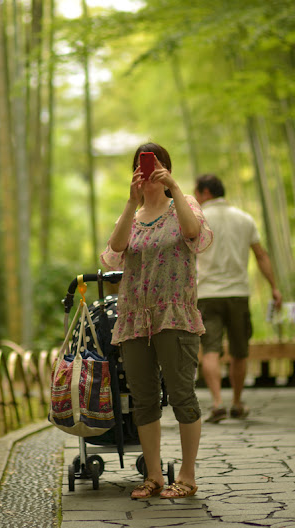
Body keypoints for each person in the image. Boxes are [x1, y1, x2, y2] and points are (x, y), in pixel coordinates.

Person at [100, 142, 213, 500]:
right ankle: (153, 477)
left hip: (174, 315)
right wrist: (131, 200)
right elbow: (114, 251)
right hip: (134, 318)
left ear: (167, 168)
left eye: (155, 164)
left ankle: (187, 476)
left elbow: (194, 234)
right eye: (141, 165)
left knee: (181, 395)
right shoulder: (132, 217)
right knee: (143, 399)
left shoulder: (183, 205)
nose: (148, 170)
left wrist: (174, 188)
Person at [194, 174, 283, 423]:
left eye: (197, 193)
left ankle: (217, 403)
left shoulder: (198, 219)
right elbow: (261, 255)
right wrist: (274, 287)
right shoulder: (244, 218)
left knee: (210, 350)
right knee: (239, 351)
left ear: (205, 192)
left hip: (208, 294)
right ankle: (236, 402)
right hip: (238, 293)